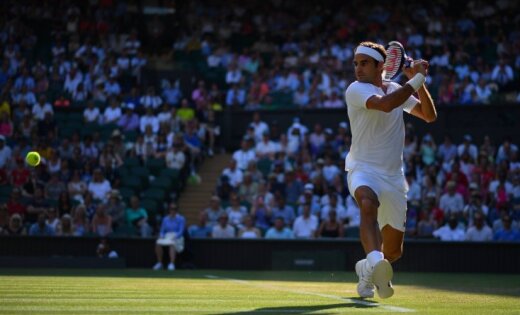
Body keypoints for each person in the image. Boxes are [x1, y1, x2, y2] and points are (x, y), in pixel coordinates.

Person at [344, 41, 437, 299]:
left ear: (380, 66)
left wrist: (420, 82)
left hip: (394, 178)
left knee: (393, 253)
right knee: (366, 202)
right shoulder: (356, 89)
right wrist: (417, 78)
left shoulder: (397, 89)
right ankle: (374, 261)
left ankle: (366, 268)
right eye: (356, 63)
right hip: (362, 169)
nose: (358, 69)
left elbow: (429, 116)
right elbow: (386, 105)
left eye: (364, 63)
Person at [153, 204, 186, 271]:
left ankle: (172, 263)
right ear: (169, 210)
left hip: (177, 236)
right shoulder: (165, 219)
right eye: (171, 209)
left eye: (174, 209)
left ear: (176, 210)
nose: (173, 210)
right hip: (167, 236)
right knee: (158, 243)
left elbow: (181, 231)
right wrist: (162, 236)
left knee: (172, 244)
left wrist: (175, 236)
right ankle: (159, 263)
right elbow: (162, 230)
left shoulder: (181, 219)